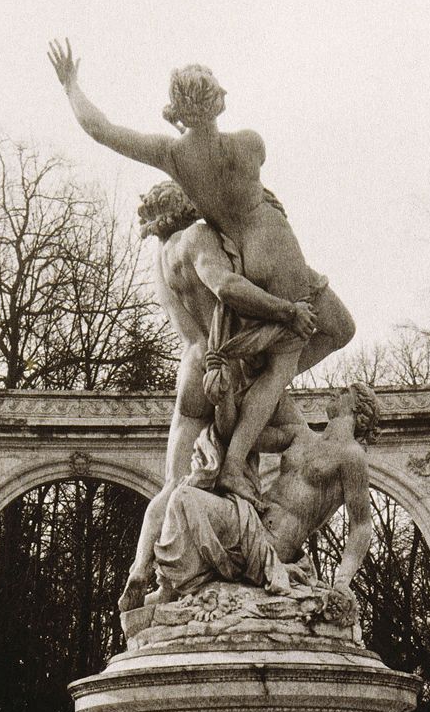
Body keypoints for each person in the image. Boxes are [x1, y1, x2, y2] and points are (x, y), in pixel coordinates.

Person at [47, 41, 355, 502]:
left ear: (180, 106)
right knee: (323, 339)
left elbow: (102, 130)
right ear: (219, 98)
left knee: (280, 364)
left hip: (246, 258)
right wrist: (288, 313)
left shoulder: (174, 157)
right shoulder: (250, 143)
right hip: (277, 246)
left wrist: (71, 85)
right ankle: (233, 464)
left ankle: (249, 412)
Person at [121, 181, 317, 609]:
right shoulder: (197, 236)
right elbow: (226, 286)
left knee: (175, 483)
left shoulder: (161, 257)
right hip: (223, 363)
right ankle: (262, 559)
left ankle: (143, 571)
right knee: (296, 439)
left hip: (190, 369)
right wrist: (286, 311)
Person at [150, 382, 382, 604]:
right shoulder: (302, 436)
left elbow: (361, 525)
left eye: (344, 391)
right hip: (250, 520)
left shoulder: (352, 456)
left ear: (356, 405)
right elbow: (242, 435)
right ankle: (170, 586)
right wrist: (226, 397)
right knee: (182, 496)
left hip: (275, 543)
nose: (336, 392)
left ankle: (174, 587)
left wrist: (342, 582)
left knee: (185, 499)